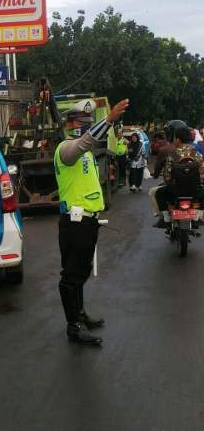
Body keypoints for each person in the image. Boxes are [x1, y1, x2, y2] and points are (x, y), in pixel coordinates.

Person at [54, 97, 129, 346]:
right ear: (70, 125)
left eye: (88, 122)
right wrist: (107, 120)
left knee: (82, 271)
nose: (85, 126)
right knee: (72, 275)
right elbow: (83, 144)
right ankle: (73, 327)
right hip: (74, 222)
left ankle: (80, 314)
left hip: (87, 221)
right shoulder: (66, 150)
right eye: (80, 122)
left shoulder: (86, 154)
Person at [155, 126, 204, 227]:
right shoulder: (197, 155)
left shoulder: (173, 155)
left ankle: (166, 219)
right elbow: (202, 175)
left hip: (175, 191)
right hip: (195, 191)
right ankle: (198, 216)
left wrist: (170, 184)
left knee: (158, 193)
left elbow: (167, 176)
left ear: (177, 139)